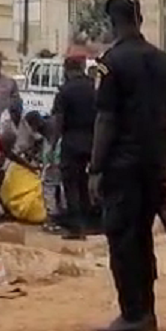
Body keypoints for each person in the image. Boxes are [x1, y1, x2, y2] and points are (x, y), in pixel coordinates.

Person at [89, 0, 166, 331]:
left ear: (113, 22)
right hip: (153, 164)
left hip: (122, 166)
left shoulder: (111, 62)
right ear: (139, 19)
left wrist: (95, 168)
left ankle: (133, 313)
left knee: (123, 238)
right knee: (142, 238)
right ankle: (147, 311)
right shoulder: (164, 62)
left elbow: (106, 120)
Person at [52, 55, 96, 240]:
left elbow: (58, 121)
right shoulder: (94, 88)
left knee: (71, 184)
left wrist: (53, 144)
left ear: (66, 69)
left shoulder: (65, 91)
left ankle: (75, 228)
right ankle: (90, 224)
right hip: (93, 141)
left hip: (72, 141)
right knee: (85, 184)